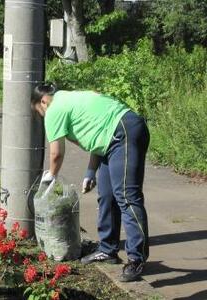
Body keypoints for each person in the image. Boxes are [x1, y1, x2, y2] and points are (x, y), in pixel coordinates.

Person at [32, 83, 150, 282]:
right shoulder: (70, 97)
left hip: (123, 132)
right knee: (106, 195)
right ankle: (108, 249)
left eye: (40, 112)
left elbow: (56, 154)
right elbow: (98, 135)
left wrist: (50, 177)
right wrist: (90, 171)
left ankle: (136, 259)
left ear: (43, 101)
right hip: (112, 138)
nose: (44, 116)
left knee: (127, 198)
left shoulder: (54, 109)